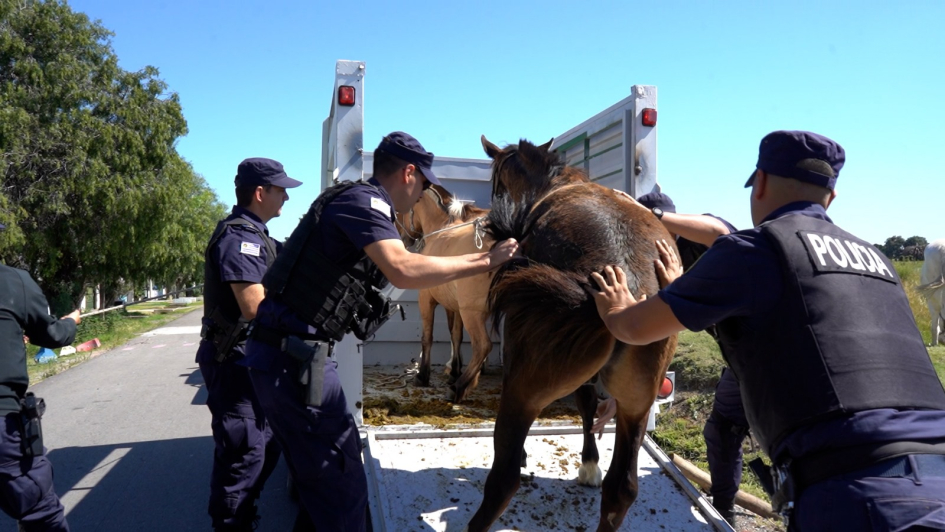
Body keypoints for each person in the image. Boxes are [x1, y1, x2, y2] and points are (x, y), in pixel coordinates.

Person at [589, 130, 945, 531]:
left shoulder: (756, 251)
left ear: (759, 183)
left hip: (859, 495)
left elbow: (635, 329)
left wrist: (616, 306)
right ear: (831, 196)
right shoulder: (878, 260)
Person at [241, 131, 521, 531]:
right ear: (409, 173)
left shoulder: (356, 202)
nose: (422, 192)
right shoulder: (365, 202)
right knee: (343, 487)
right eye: (424, 183)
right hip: (293, 363)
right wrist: (484, 261)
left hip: (293, 359)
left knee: (322, 484)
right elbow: (404, 268)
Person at [196, 158, 300, 531]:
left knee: (267, 444)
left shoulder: (259, 237)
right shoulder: (239, 238)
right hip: (233, 364)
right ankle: (231, 524)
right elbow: (255, 307)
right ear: (260, 193)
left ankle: (243, 515)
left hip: (252, 363)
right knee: (243, 453)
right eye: (281, 189)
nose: (286, 197)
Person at [638, 191, 749, 524]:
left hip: (769, 349)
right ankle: (724, 508)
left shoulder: (698, 239)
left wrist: (656, 217)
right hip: (739, 356)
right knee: (723, 429)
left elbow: (720, 232)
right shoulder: (650, 257)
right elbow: (659, 331)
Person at [0, 243, 81, 531]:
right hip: (3, 422)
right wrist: (71, 322)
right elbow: (51, 334)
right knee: (39, 513)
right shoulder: (12, 280)